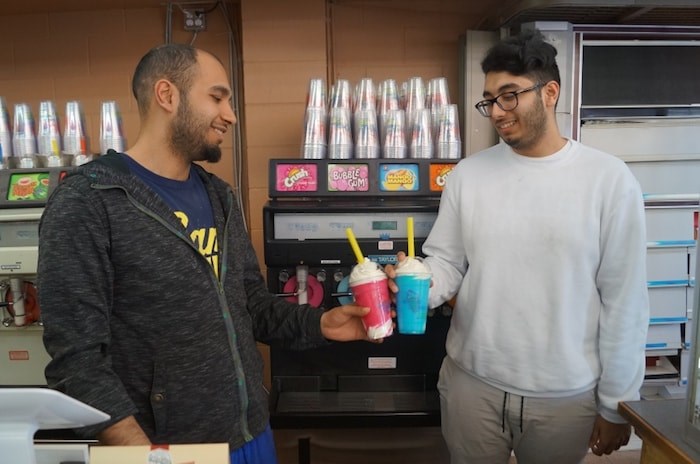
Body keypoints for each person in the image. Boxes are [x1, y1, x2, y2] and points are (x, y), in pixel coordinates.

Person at [37, 43, 374, 463]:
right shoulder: (89, 200)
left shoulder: (219, 196)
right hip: (163, 449)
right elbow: (76, 359)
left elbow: (251, 304)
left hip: (251, 432)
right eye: (217, 97)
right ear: (167, 95)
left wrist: (322, 323)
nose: (230, 114)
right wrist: (142, 454)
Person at [386, 29, 649, 464]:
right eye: (490, 99)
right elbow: (448, 262)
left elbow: (625, 302)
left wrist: (616, 402)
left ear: (550, 92)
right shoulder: (468, 176)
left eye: (510, 96)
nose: (497, 112)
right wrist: (419, 279)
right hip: (472, 384)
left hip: (564, 397)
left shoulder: (608, 180)